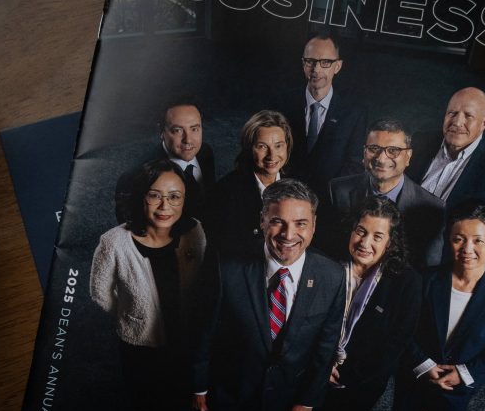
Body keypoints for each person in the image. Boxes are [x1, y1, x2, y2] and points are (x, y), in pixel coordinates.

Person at [192, 178, 344, 411]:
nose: (288, 234)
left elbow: (325, 344)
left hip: (284, 396)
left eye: (301, 223)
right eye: (278, 221)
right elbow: (205, 329)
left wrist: (308, 398)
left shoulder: (332, 276)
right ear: (263, 220)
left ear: (314, 225)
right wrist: (199, 383)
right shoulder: (225, 264)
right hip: (232, 389)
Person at [91, 160, 206, 411]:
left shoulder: (194, 231)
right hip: (139, 343)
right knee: (144, 405)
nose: (165, 206)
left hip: (180, 338)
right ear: (141, 198)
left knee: (172, 392)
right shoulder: (114, 242)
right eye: (155, 196)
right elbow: (99, 292)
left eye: (174, 197)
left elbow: (200, 283)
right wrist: (131, 315)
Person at [391, 202, 485, 411]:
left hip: (460, 381)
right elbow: (402, 327)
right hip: (416, 370)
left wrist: (465, 372)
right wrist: (425, 365)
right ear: (448, 240)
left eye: (478, 241)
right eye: (458, 239)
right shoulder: (426, 280)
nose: (467, 249)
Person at [311, 196, 422, 411]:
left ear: (390, 243)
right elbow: (306, 322)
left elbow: (395, 345)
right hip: (320, 361)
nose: (365, 242)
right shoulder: (324, 263)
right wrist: (323, 364)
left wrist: (349, 375)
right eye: (361, 231)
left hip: (365, 375)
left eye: (377, 236)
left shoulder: (407, 283)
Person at [409, 87, 485, 263]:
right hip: (400, 238)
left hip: (443, 261)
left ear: (484, 123)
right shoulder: (419, 141)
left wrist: (467, 282)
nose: (457, 122)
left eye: (468, 116)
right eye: (452, 113)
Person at [327, 119, 445, 269]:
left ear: (408, 156)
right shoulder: (338, 190)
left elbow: (427, 270)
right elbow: (328, 251)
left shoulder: (431, 208)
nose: (382, 158)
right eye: (374, 148)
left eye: (393, 150)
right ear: (364, 152)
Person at [281, 32, 367, 197]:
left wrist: (328, 196)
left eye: (325, 62)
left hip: (328, 201)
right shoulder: (283, 104)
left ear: (338, 66)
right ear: (303, 64)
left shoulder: (354, 113)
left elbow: (354, 164)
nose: (316, 69)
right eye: (310, 61)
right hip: (285, 196)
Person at [205, 109, 292, 259]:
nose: (272, 155)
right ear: (249, 148)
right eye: (262, 146)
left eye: (278, 145)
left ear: (287, 146)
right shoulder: (225, 192)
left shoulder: (297, 185)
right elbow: (223, 252)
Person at [114, 102, 215, 224]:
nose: (188, 140)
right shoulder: (134, 177)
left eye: (194, 129)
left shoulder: (204, 152)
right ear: (161, 131)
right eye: (177, 130)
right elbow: (131, 232)